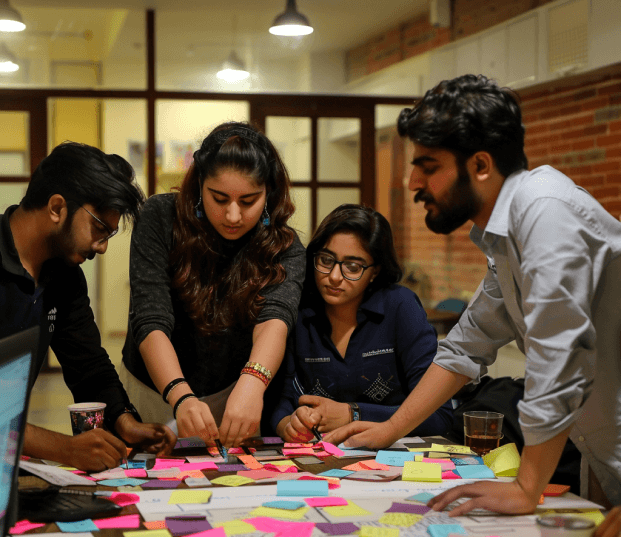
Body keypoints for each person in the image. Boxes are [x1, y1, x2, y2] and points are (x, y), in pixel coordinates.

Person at [324, 74, 621, 516]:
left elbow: (560, 359)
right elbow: (467, 344)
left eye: (428, 166)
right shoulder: (506, 232)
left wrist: (526, 488)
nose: (412, 184)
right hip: (597, 451)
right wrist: (391, 429)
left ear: (480, 165)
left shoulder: (544, 211)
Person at [120, 121, 305, 448]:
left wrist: (252, 384)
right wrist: (180, 396)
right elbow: (150, 318)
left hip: (235, 394)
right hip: (153, 390)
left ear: (269, 193)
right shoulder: (160, 217)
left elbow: (275, 321)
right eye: (219, 198)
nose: (233, 215)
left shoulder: (283, 245)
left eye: (249, 201)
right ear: (199, 185)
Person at [0, 141, 177, 472]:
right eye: (99, 229)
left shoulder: (64, 277)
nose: (103, 247)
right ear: (57, 207)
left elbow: (88, 364)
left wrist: (124, 421)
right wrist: (64, 449)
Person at [271, 204, 453, 442]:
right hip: (321, 459)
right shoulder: (299, 310)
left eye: (353, 267)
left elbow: (440, 414)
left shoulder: (400, 306)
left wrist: (353, 414)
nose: (335, 276)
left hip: (395, 459)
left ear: (375, 272)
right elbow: (277, 400)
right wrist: (288, 425)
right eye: (326, 260)